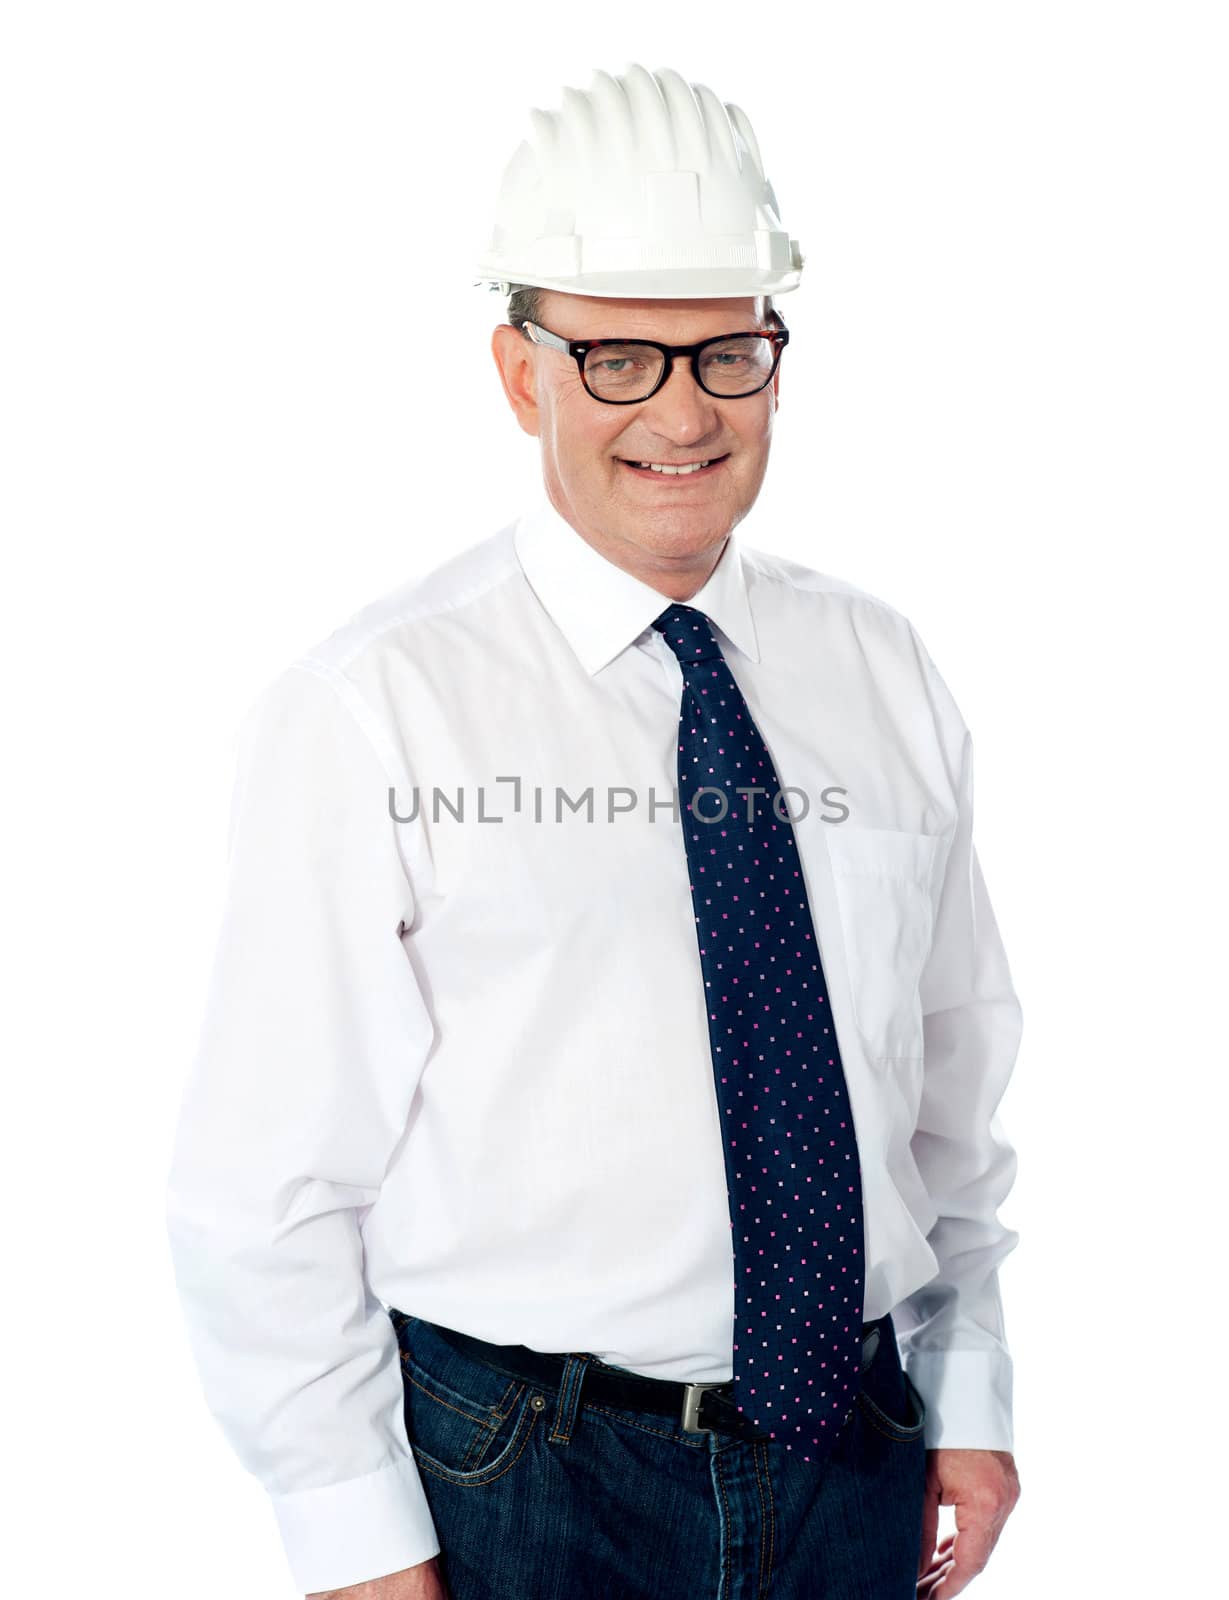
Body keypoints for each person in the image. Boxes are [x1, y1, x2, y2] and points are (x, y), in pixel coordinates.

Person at [165, 62, 1023, 1600]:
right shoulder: (378, 709)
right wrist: (350, 1538)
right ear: (520, 374)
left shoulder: (879, 671)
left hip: (860, 1456)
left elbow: (945, 1088)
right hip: (528, 1477)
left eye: (727, 354)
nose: (682, 413)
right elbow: (268, 1180)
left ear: (778, 358)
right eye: (618, 358)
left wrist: (968, 1390)